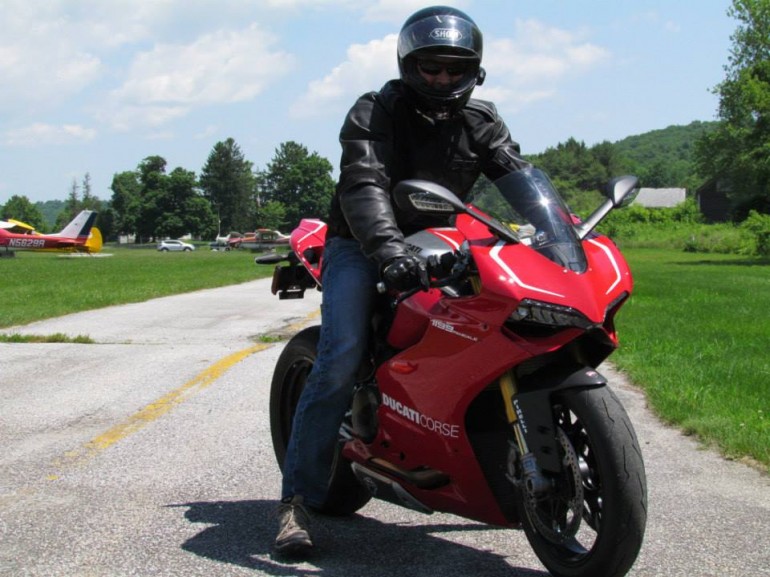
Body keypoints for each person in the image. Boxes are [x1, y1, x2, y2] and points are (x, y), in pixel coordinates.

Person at [275, 5, 529, 556]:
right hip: (361, 243)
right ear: (408, 66)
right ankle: (296, 502)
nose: (441, 79)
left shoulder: (481, 121)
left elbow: (519, 176)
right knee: (341, 357)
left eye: (455, 69)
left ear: (475, 71)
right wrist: (389, 251)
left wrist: (559, 232)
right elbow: (364, 182)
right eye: (430, 67)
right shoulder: (376, 110)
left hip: (441, 238)